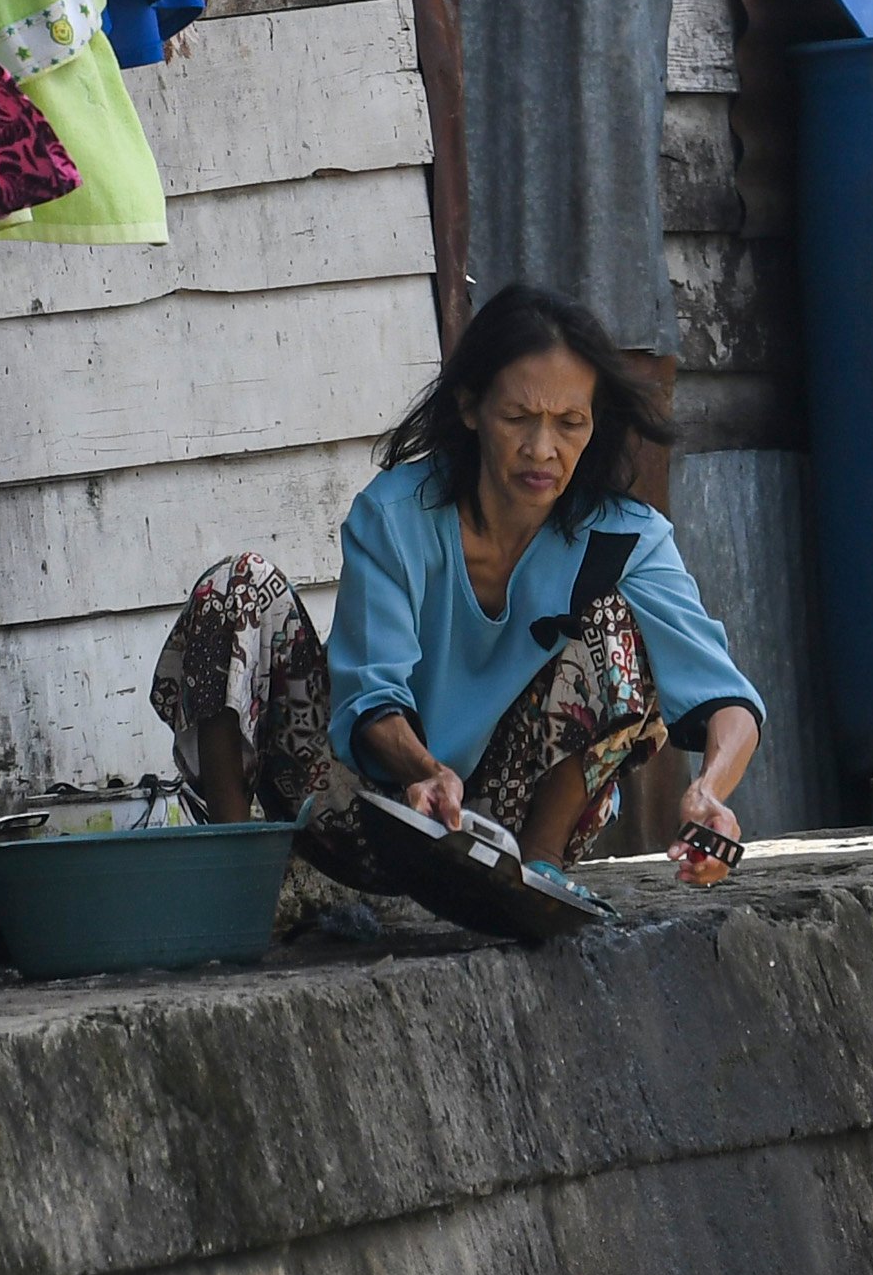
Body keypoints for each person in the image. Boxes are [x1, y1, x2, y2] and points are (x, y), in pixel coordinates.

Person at [150, 283, 759, 904]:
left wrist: (708, 790)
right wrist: (425, 772)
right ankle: (237, 876)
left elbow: (721, 693)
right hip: (359, 805)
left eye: (570, 423)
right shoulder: (395, 515)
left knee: (616, 621)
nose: (542, 449)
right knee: (236, 586)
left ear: (594, 422)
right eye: (518, 418)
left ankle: (541, 874)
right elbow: (368, 694)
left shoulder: (627, 537)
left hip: (502, 827)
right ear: (470, 407)